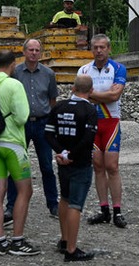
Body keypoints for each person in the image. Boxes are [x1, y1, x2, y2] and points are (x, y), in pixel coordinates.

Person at [0, 50, 39, 256]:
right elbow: (22, 117)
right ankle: (18, 241)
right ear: (13, 64)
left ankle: (0, 240)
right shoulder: (14, 85)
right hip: (12, 145)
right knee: (25, 191)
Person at [46, 74, 99, 262]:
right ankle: (71, 250)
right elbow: (88, 139)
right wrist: (71, 155)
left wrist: (61, 152)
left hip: (63, 163)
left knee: (65, 199)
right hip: (80, 163)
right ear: (91, 91)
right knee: (76, 205)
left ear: (73, 89)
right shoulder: (90, 110)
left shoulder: (59, 106)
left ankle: (64, 239)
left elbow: (49, 134)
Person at [78, 34, 128, 228]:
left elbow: (115, 96)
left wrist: (92, 95)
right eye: (95, 47)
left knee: (112, 166)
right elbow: (79, 95)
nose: (99, 51)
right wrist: (102, 96)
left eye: (102, 47)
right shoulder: (83, 70)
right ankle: (104, 209)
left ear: (109, 49)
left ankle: (118, 210)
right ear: (91, 49)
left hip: (110, 122)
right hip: (91, 123)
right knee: (98, 166)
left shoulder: (118, 68)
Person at [8, 38, 60, 218]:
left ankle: (53, 204)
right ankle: (11, 205)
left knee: (46, 165)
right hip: (21, 124)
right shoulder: (15, 73)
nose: (34, 53)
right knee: (16, 166)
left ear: (41, 52)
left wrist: (52, 124)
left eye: (37, 50)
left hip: (42, 122)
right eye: (30, 50)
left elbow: (52, 100)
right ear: (24, 52)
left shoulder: (49, 74)